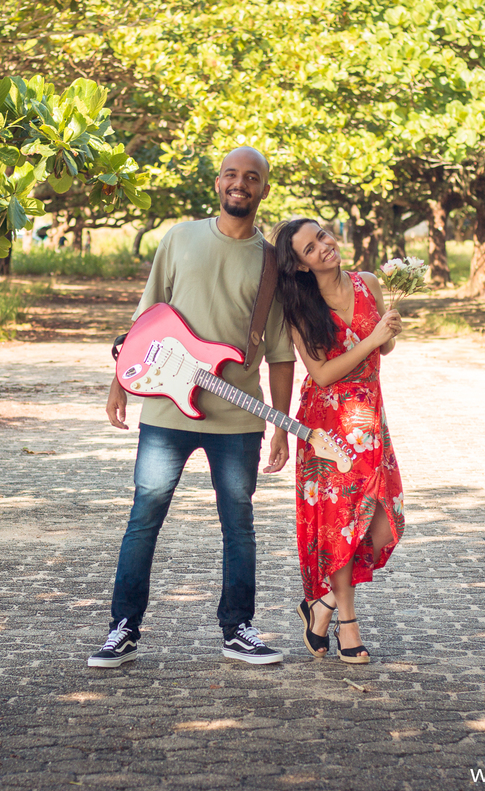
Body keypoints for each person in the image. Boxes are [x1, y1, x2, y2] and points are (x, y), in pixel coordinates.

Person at [88, 147, 296, 668]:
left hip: (238, 415)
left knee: (239, 522)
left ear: (264, 190)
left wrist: (281, 428)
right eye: (231, 174)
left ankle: (238, 629)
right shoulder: (179, 238)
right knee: (144, 515)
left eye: (252, 177)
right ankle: (122, 629)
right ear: (218, 182)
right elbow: (147, 317)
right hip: (165, 410)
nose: (240, 184)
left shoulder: (273, 263)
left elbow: (279, 353)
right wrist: (120, 381)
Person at [273, 218, 405, 664]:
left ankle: (322, 604)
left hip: (369, 418)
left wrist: (388, 333)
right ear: (302, 266)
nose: (325, 248)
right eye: (311, 248)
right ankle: (347, 623)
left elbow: (381, 348)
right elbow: (322, 373)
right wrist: (373, 340)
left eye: (323, 237)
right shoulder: (299, 308)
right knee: (342, 526)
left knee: (385, 520)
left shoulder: (368, 282)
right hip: (327, 427)